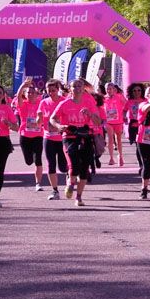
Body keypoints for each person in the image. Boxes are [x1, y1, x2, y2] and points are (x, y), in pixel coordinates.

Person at [49, 78, 99, 208]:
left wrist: (90, 114)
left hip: (85, 135)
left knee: (84, 170)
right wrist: (59, 126)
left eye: (79, 86)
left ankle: (79, 197)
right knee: (74, 165)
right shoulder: (64, 104)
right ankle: (70, 183)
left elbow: (98, 121)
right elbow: (52, 119)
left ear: (83, 89)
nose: (77, 88)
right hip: (70, 136)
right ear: (70, 89)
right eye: (74, 86)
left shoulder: (89, 102)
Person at [37, 80, 67, 199]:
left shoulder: (64, 101)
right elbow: (38, 123)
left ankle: (69, 178)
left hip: (63, 138)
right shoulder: (43, 103)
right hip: (48, 137)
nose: (51, 93)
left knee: (63, 166)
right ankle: (55, 191)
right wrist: (39, 118)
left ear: (58, 89)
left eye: (53, 90)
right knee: (51, 164)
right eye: (48, 90)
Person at [15, 82, 46, 192]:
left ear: (37, 94)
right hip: (25, 135)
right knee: (28, 161)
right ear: (25, 94)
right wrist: (23, 85)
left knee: (38, 160)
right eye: (29, 92)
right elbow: (18, 96)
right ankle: (30, 159)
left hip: (38, 135)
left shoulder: (41, 104)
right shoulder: (23, 104)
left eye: (33, 92)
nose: (31, 94)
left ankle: (38, 183)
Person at [102, 83, 128, 168]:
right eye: (107, 89)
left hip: (118, 121)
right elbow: (100, 108)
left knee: (118, 139)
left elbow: (126, 105)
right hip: (108, 121)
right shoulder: (103, 98)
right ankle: (111, 158)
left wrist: (123, 113)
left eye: (110, 88)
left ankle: (120, 156)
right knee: (110, 139)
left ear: (114, 89)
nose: (109, 90)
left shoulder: (119, 96)